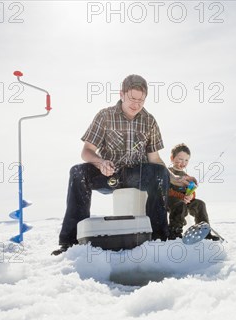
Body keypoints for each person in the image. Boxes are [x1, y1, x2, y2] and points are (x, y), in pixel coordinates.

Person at [52, 74, 194, 255]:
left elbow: (155, 159)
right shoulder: (105, 115)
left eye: (141, 100)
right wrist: (100, 162)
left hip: (137, 174)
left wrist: (173, 178)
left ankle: (159, 239)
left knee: (159, 172)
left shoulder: (149, 121)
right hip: (108, 173)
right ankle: (70, 244)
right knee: (77, 172)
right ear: (121, 94)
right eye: (132, 99)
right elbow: (86, 151)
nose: (136, 104)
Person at [167, 143, 219, 241]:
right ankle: (175, 233)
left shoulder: (187, 176)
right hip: (170, 202)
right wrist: (182, 197)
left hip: (184, 201)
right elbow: (166, 191)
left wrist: (190, 196)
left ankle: (205, 233)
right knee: (180, 204)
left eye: (186, 160)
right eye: (180, 159)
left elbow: (191, 191)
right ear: (172, 158)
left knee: (200, 204)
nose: (183, 162)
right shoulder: (168, 173)